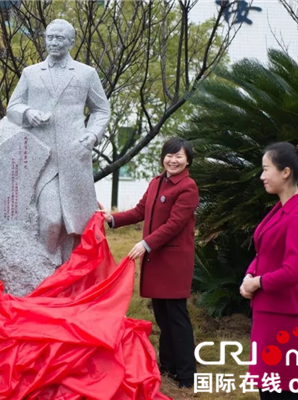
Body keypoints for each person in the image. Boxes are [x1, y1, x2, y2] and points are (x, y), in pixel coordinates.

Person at [6, 18, 110, 265]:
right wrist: (28, 113)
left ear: (71, 42)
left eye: (59, 37)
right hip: (42, 158)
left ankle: (70, 277)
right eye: (50, 37)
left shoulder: (86, 74)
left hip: (74, 156)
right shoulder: (30, 73)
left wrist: (93, 135)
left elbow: (101, 110)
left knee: (76, 223)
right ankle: (44, 271)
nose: (53, 42)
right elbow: (13, 107)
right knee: (51, 219)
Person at [98, 137, 199, 389]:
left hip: (173, 261)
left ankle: (187, 376)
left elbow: (174, 224)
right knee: (162, 317)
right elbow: (140, 210)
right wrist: (112, 219)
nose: (173, 160)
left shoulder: (188, 187)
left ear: (188, 161)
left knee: (176, 316)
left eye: (179, 156)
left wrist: (145, 244)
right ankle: (168, 368)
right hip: (157, 259)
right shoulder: (156, 182)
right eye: (169, 155)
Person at [240, 142, 298, 400]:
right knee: (268, 390)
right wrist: (249, 275)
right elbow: (263, 253)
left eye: (265, 169)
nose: (261, 176)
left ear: (285, 172)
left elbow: (292, 271)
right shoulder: (280, 209)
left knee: (280, 393)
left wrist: (258, 282)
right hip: (266, 314)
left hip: (282, 317)